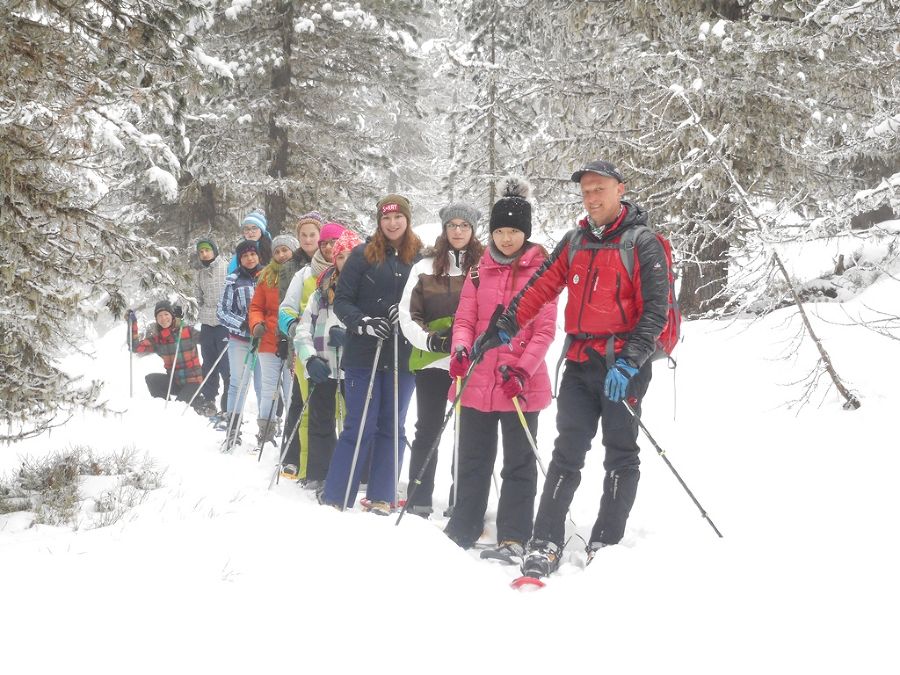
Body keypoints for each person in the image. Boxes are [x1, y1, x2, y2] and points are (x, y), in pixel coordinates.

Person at [475, 160, 669, 578]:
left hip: (624, 364)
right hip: (581, 362)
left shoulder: (643, 243)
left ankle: (606, 537)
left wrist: (632, 361)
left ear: (621, 188)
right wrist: (506, 326)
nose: (592, 197)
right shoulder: (575, 241)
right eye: (586, 191)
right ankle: (544, 540)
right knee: (567, 452)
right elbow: (542, 286)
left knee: (620, 453)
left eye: (599, 189)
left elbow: (655, 313)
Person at [442, 178, 557, 564]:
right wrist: (460, 347)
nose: (507, 239)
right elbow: (465, 319)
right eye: (500, 231)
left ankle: (513, 534)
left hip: (519, 383)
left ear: (526, 233)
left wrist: (522, 370)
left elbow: (544, 331)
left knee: (518, 463)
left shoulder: (542, 271)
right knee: (473, 458)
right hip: (477, 378)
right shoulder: (479, 270)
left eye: (514, 231)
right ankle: (464, 524)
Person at [320, 194, 422, 515]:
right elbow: (343, 301)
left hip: (402, 355)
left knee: (393, 426)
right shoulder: (362, 255)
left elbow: (428, 301)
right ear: (379, 221)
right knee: (359, 424)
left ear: (407, 219)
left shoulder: (419, 258)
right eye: (386, 218)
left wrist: (407, 313)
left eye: (398, 218)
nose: (392, 224)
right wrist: (363, 322)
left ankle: (382, 495)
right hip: (365, 354)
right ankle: (337, 494)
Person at [398, 201, 484, 517]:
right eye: (452, 225)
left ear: (473, 230)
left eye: (464, 225)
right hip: (432, 360)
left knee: (468, 431)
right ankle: (419, 498)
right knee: (428, 427)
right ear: (444, 229)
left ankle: (461, 500)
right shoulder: (423, 267)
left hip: (471, 361)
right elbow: (408, 315)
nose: (458, 231)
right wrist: (431, 340)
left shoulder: (486, 265)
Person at [293, 226, 362, 491]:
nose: (346, 261)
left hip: (354, 367)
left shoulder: (365, 290)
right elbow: (302, 330)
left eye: (351, 255)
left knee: (353, 422)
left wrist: (351, 339)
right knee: (321, 420)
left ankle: (354, 473)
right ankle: (319, 472)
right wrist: (309, 359)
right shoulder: (320, 292)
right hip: (323, 365)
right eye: (341, 256)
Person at [279, 220, 345, 480]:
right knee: (311, 412)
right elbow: (285, 310)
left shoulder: (354, 272)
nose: (329, 248)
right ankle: (308, 468)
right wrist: (296, 328)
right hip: (310, 353)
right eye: (324, 243)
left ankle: (342, 471)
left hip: (345, 356)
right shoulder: (305, 274)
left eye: (334, 243)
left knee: (346, 414)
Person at [248, 233, 301, 447]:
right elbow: (256, 307)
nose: (281, 255)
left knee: (292, 389)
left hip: (293, 340)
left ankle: (293, 432)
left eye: (285, 250)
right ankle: (266, 431)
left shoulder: (301, 274)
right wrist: (256, 324)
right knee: (269, 387)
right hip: (269, 338)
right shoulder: (266, 276)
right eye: (277, 251)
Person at [217, 239, 264, 446]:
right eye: (245, 256)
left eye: (252, 254)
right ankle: (233, 429)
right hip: (240, 340)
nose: (250, 258)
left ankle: (267, 430)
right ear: (240, 259)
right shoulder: (233, 280)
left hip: (264, 340)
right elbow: (222, 312)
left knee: (264, 385)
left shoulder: (268, 276)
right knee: (238, 383)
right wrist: (243, 324)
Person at [129, 300, 204, 407]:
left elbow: (207, 340)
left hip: (194, 382)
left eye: (166, 314)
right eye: (159, 316)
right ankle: (165, 408)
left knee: (179, 407)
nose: (163, 318)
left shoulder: (187, 331)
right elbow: (135, 347)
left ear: (172, 316)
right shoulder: (158, 340)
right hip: (176, 382)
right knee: (152, 380)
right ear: (156, 319)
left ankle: (198, 403)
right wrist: (133, 325)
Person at [193, 237, 230, 416]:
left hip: (224, 323)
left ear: (214, 251)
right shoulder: (200, 274)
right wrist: (199, 311)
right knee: (208, 364)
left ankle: (228, 405)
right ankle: (209, 400)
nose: (204, 254)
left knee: (226, 366)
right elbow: (197, 297)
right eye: (201, 251)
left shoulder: (227, 267)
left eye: (207, 250)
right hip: (207, 324)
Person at [227, 209, 272, 274]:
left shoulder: (271, 248)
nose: (250, 232)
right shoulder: (240, 250)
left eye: (254, 228)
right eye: (247, 229)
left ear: (261, 230)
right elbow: (231, 273)